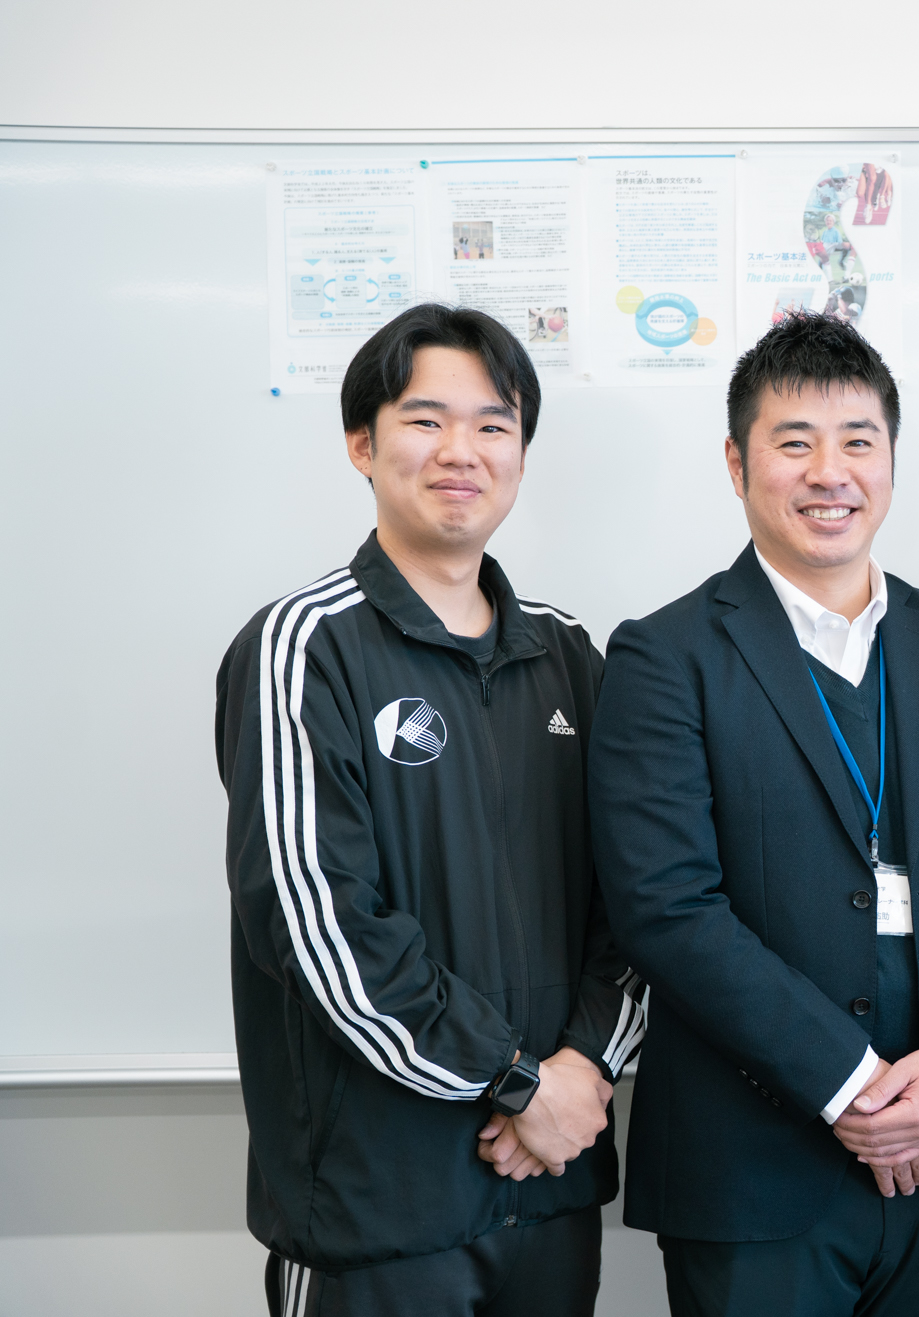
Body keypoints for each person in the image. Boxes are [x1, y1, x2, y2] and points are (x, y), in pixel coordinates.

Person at [590, 311, 919, 1317]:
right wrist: (848, 1081)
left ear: (891, 459)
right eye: (792, 442)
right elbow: (666, 907)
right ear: (736, 462)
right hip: (748, 1168)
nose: (828, 472)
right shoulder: (662, 658)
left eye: (857, 441)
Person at [216, 304, 646, 1316]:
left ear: (522, 454)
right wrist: (516, 1080)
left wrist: (583, 1067)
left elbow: (639, 904)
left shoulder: (571, 656)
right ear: (361, 442)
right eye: (424, 419)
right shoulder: (301, 647)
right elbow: (316, 921)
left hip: (546, 1192)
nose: (461, 450)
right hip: (376, 1214)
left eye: (493, 425)